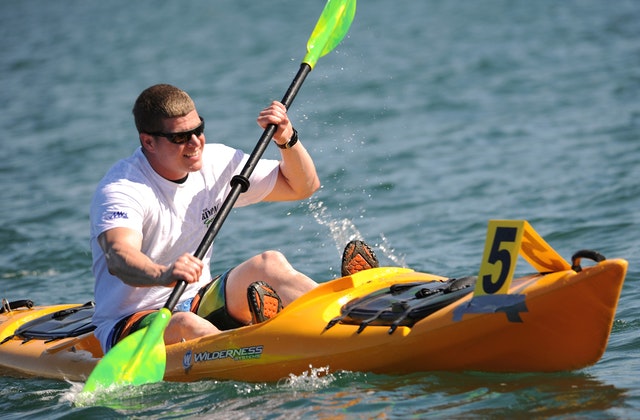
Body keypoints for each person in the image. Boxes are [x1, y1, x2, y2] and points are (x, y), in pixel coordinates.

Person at [90, 84, 379, 354]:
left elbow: (302, 187)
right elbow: (119, 257)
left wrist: (287, 139)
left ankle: (350, 313)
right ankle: (262, 345)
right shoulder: (123, 189)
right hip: (131, 320)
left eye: (198, 129)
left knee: (270, 264)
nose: (195, 143)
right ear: (148, 142)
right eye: (180, 137)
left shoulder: (215, 162)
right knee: (186, 325)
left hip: (197, 298)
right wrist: (163, 275)